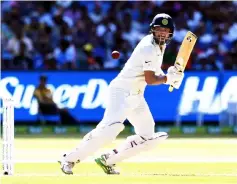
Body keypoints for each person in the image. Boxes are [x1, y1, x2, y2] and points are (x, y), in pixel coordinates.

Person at [59, 13, 184, 175]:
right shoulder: (148, 46)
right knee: (108, 130)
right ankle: (68, 158)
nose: (162, 33)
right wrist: (168, 79)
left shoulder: (160, 46)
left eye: (165, 31)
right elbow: (151, 79)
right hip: (121, 92)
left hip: (136, 96)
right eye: (159, 30)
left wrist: (171, 75)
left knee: (147, 136)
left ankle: (108, 160)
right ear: (152, 30)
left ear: (170, 33)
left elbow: (154, 71)